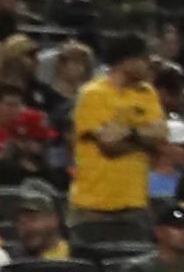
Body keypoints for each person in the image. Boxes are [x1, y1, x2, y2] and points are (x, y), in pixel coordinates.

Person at [66, 37, 167, 255]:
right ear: (127, 61)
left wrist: (128, 132)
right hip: (91, 205)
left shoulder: (147, 92)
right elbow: (109, 144)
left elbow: (160, 135)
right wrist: (142, 138)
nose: (149, 64)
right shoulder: (93, 93)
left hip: (133, 204)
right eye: (144, 58)